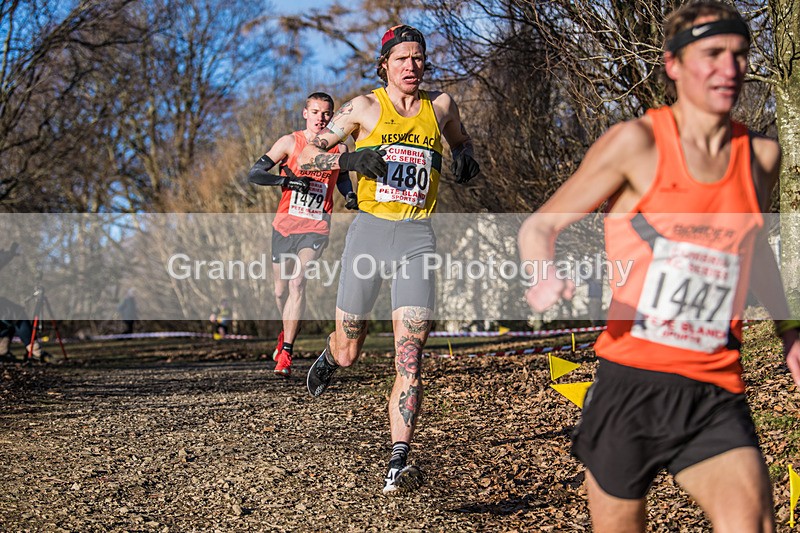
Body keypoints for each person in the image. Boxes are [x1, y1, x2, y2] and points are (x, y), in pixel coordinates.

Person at [518, 2, 800, 531]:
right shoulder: (637, 144)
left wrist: (790, 330)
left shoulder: (761, 156)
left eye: (739, 54)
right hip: (630, 387)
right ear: (673, 64)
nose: (729, 68)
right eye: (712, 53)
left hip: (714, 387)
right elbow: (538, 228)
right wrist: (543, 274)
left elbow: (753, 246)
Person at [299, 25, 480, 494]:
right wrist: (350, 162)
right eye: (401, 59)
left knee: (410, 357)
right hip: (369, 235)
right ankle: (333, 355)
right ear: (385, 65)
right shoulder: (363, 107)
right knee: (350, 350)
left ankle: (398, 460)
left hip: (418, 238)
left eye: (418, 58)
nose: (411, 66)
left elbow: (462, 141)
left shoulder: (442, 106)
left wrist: (465, 155)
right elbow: (308, 157)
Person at [248, 92, 358, 377]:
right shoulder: (289, 142)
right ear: (305, 113)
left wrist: (350, 195)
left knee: (297, 282)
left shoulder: (339, 148)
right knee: (280, 290)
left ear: (333, 116)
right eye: (316, 112)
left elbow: (342, 179)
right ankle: (285, 331)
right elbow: (255, 173)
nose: (321, 118)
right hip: (284, 227)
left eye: (327, 113)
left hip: (316, 227)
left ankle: (286, 352)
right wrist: (285, 181)